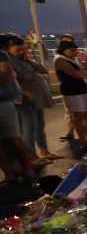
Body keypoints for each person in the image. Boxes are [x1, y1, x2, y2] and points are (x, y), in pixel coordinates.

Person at [10, 36, 57, 161]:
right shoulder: (10, 63)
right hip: (24, 100)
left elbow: (43, 70)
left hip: (37, 99)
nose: (22, 52)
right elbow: (16, 81)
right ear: (10, 49)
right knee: (27, 130)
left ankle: (44, 151)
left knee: (39, 126)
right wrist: (24, 93)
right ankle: (31, 157)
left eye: (23, 49)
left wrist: (30, 60)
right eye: (18, 50)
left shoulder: (26, 60)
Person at [0, 33, 37, 184]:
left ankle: (28, 168)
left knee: (14, 138)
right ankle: (9, 173)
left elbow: (7, 74)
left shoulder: (1, 56)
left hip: (3, 103)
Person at [53, 38, 87, 153]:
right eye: (71, 50)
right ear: (63, 50)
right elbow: (76, 74)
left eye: (75, 50)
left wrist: (84, 67)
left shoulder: (74, 59)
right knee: (78, 117)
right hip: (72, 91)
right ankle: (83, 142)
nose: (75, 52)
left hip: (84, 89)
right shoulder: (60, 60)